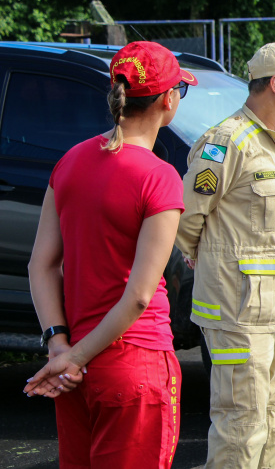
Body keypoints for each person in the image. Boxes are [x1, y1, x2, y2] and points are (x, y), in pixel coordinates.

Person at [25, 41, 196, 468]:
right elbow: (139, 295)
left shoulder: (70, 161)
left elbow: (41, 265)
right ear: (168, 100)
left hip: (75, 363)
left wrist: (60, 347)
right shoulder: (160, 176)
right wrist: (73, 358)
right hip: (134, 363)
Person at [176, 43, 275, 469]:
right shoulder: (225, 142)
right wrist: (200, 255)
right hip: (237, 312)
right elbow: (187, 220)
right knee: (241, 424)